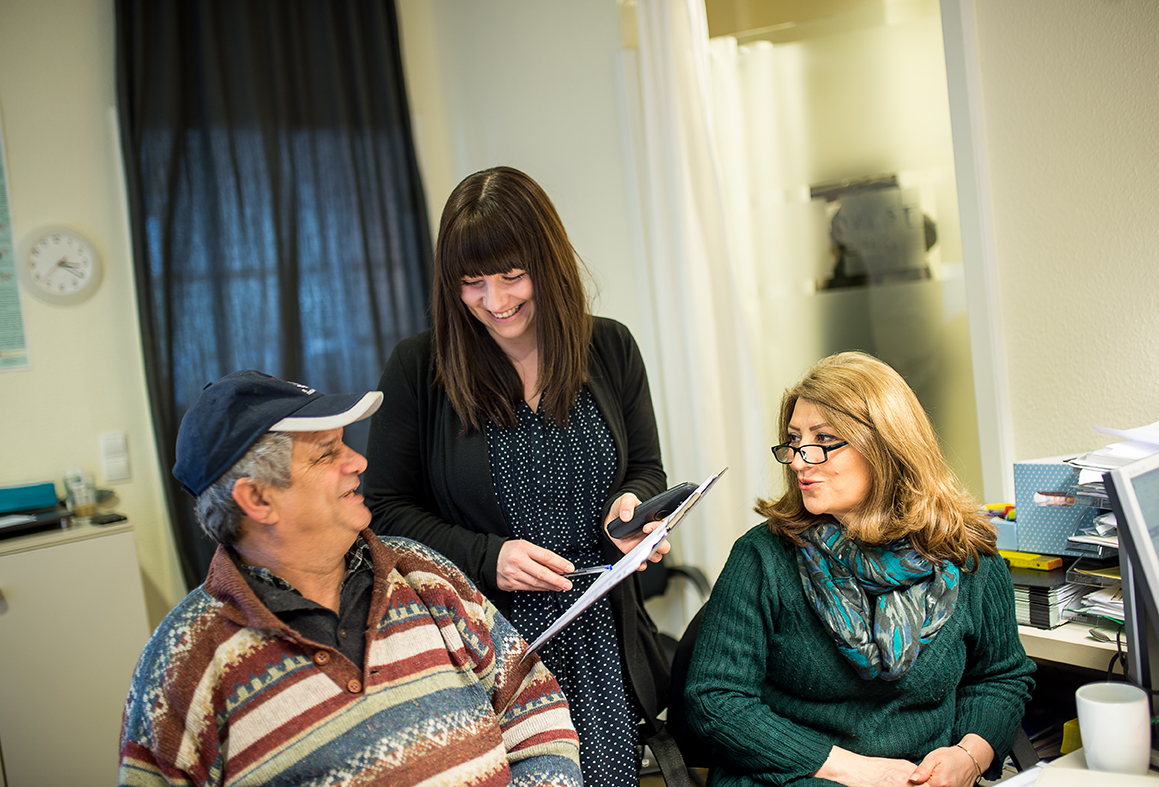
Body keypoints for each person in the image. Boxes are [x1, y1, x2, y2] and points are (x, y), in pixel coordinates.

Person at [118, 370, 582, 787]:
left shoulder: (422, 574)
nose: (358, 461)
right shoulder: (184, 662)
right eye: (326, 454)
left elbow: (533, 704)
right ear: (258, 499)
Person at [363, 166, 672, 786]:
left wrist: (631, 511)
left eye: (512, 275)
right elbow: (384, 510)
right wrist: (487, 556)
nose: (496, 302)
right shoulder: (419, 368)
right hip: (490, 647)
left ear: (548, 264)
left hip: (601, 633)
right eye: (472, 283)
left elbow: (643, 467)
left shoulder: (609, 348)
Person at [684, 352, 1035, 787]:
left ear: (886, 446)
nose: (797, 460)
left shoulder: (966, 554)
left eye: (822, 439)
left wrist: (969, 756)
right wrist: (860, 771)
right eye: (793, 440)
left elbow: (1001, 675)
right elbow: (715, 700)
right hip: (790, 777)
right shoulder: (762, 557)